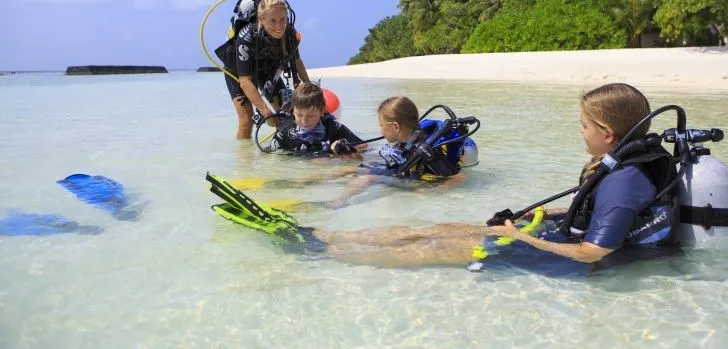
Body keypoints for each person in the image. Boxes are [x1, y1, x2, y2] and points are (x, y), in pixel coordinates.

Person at [207, 83, 678, 275]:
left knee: (432, 248)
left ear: (608, 133)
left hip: (560, 255)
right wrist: (540, 213)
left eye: (584, 126)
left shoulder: (624, 180)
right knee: (437, 228)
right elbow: (590, 214)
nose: (580, 133)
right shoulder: (619, 165)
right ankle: (325, 235)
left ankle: (320, 252)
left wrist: (522, 238)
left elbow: (594, 251)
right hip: (549, 233)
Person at [294, 96, 471, 207]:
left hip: (414, 178)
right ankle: (303, 182)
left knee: (366, 177)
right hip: (400, 169)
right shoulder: (405, 140)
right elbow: (390, 157)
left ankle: (340, 202)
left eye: (381, 125)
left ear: (395, 127)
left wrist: (426, 194)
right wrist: (352, 153)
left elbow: (458, 178)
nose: (380, 130)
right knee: (350, 168)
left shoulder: (426, 151)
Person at [217, 0, 310, 139]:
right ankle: (244, 153)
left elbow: (297, 62)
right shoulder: (246, 36)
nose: (279, 26)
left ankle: (287, 147)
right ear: (261, 19)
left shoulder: (289, 33)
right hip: (238, 72)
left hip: (267, 69)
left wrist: (310, 88)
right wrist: (264, 111)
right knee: (247, 120)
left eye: (282, 20)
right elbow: (245, 82)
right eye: (272, 21)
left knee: (286, 113)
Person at [265, 82, 365, 157]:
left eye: (310, 116)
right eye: (299, 115)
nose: (304, 120)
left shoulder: (332, 127)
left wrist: (344, 146)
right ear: (292, 111)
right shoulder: (286, 131)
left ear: (321, 111)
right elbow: (269, 155)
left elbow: (364, 145)